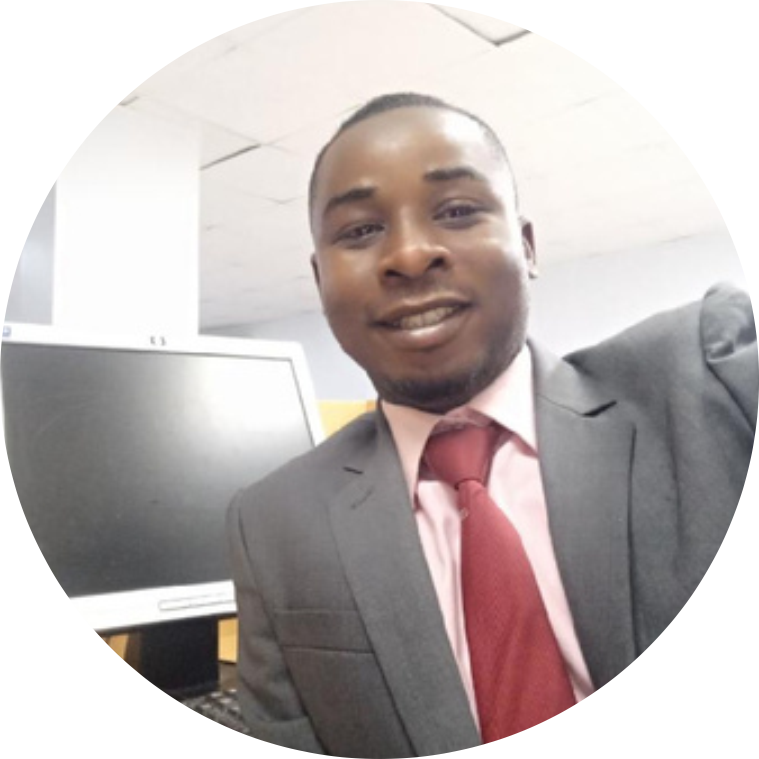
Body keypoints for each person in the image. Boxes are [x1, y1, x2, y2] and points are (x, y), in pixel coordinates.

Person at [227, 92, 758, 757]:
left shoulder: (706, 376)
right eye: (359, 231)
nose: (409, 255)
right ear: (320, 279)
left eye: (456, 211)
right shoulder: (272, 521)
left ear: (527, 246)